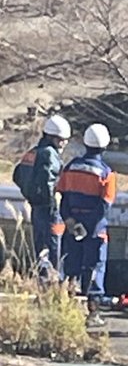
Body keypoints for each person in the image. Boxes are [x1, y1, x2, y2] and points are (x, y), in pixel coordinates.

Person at [57, 123, 117, 320]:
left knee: (71, 265)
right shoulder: (107, 173)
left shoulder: (71, 166)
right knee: (94, 267)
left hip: (72, 225)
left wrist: (70, 221)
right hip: (94, 229)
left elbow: (63, 198)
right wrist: (88, 225)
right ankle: (93, 311)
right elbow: (104, 205)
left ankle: (68, 308)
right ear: (105, 145)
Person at [17, 114, 70, 278]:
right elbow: (49, 181)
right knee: (54, 246)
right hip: (49, 210)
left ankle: (42, 276)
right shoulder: (49, 154)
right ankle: (52, 279)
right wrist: (53, 202)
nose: (64, 143)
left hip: (35, 206)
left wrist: (30, 193)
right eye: (62, 140)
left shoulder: (32, 152)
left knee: (40, 246)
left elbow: (17, 175)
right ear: (54, 138)